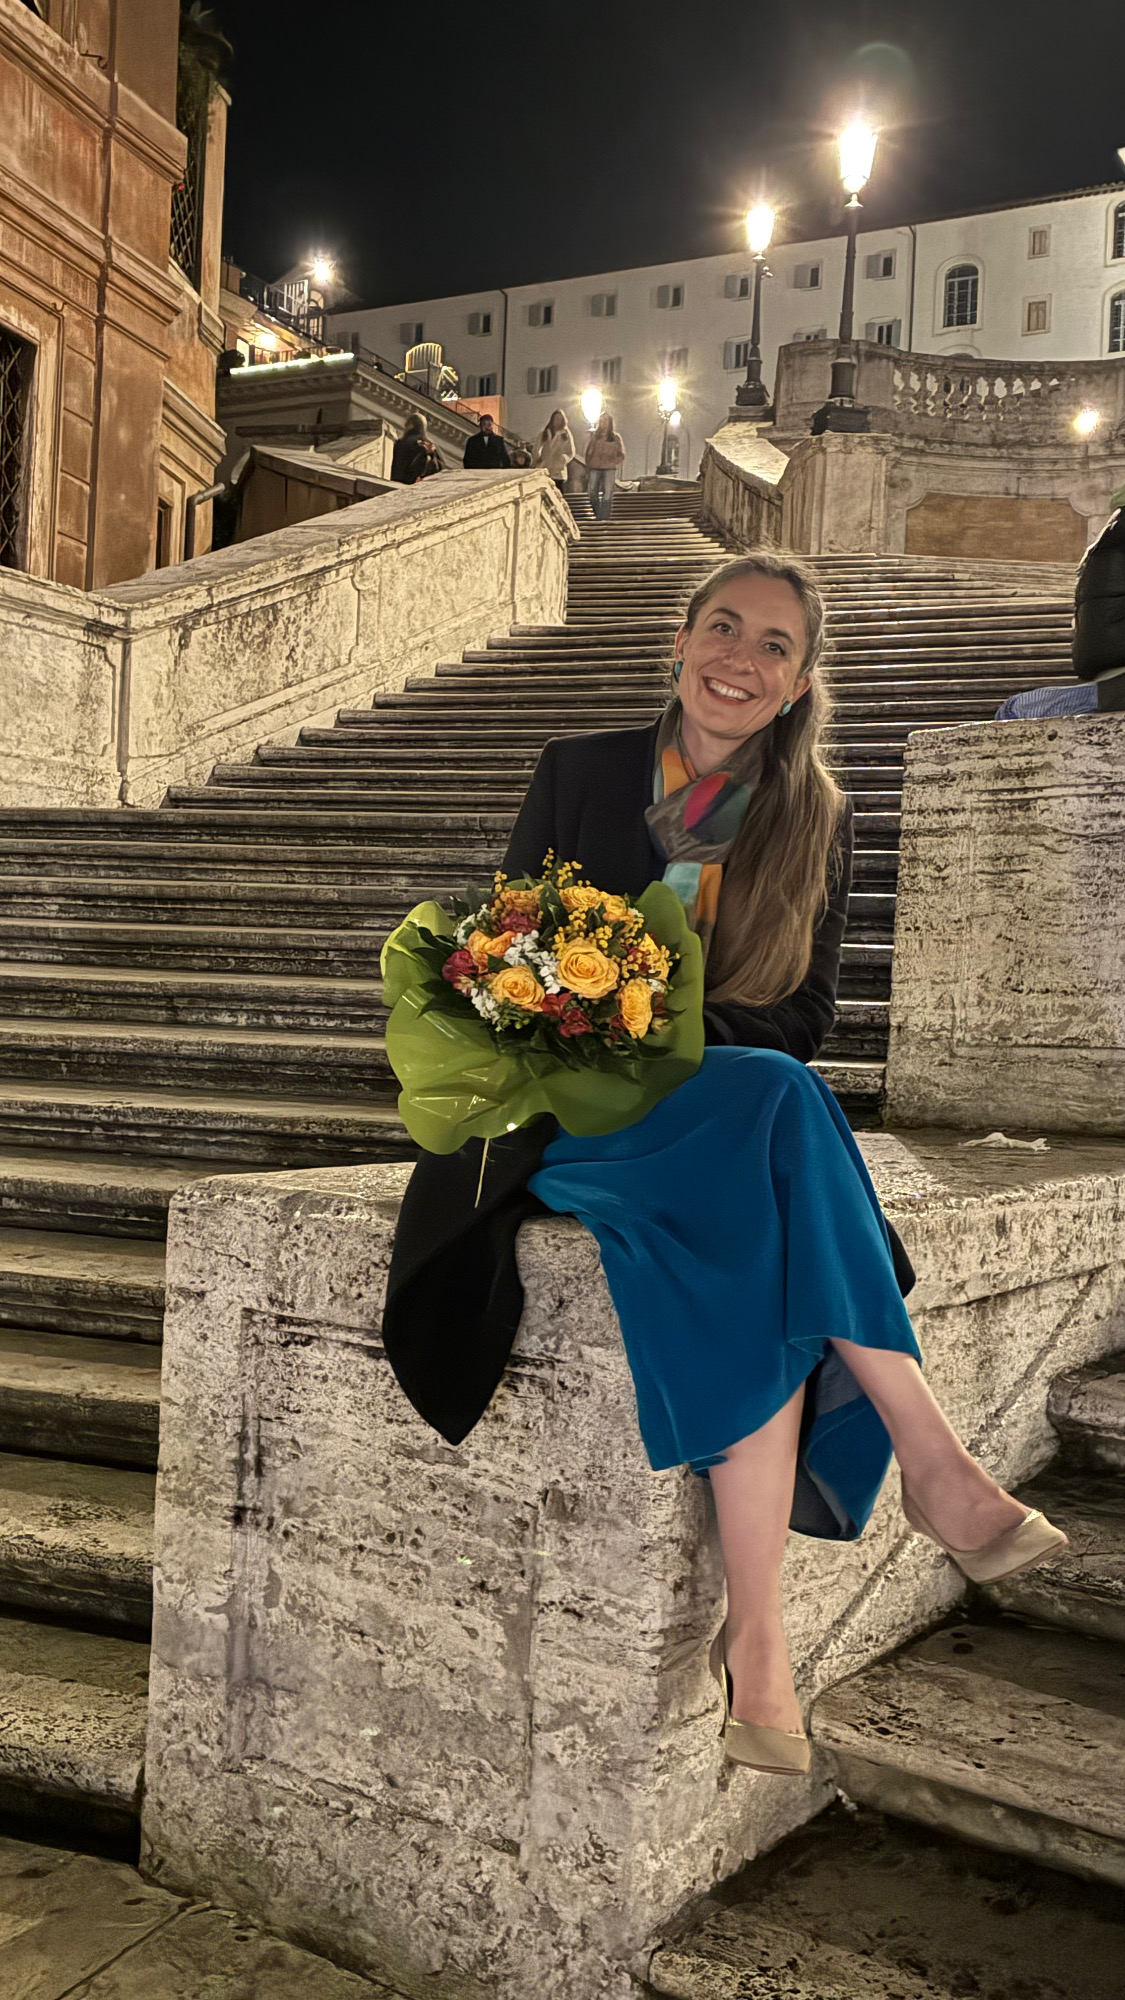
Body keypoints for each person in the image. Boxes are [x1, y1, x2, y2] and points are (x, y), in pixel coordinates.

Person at [383, 553, 1067, 1777]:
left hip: (716, 1112)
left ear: (800, 682)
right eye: (723, 627)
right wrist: (598, 1016)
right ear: (681, 640)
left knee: (771, 1126)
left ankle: (761, 1642)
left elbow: (807, 1016)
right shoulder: (580, 769)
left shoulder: (818, 815)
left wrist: (671, 1030)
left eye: (773, 646)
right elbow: (504, 949)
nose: (740, 659)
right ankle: (930, 1460)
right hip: (571, 1117)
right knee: (782, 1112)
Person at [996, 487, 1125, 719]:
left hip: (1109, 681)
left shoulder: (1109, 541)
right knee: (1016, 709)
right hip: (1112, 683)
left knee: (1015, 709)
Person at [584, 410, 625, 520]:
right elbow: (588, 451)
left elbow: (621, 454)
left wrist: (613, 462)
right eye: (602, 420)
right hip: (595, 466)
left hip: (609, 468)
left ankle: (604, 518)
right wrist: (589, 462)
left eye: (606, 420)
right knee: (592, 492)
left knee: (607, 493)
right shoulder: (595, 437)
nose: (604, 423)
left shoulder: (615, 438)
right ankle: (598, 513)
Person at [532, 408, 579, 493]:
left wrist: (563, 459)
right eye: (556, 418)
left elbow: (571, 451)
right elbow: (536, 448)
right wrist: (537, 459)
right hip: (545, 469)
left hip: (558, 471)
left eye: (560, 419)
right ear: (552, 420)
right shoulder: (545, 433)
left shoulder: (566, 435)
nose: (558, 421)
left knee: (558, 493)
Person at [390, 413, 442, 485]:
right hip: (426, 485)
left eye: (406, 425)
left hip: (399, 482)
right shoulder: (433, 446)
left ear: (411, 425)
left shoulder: (402, 443)